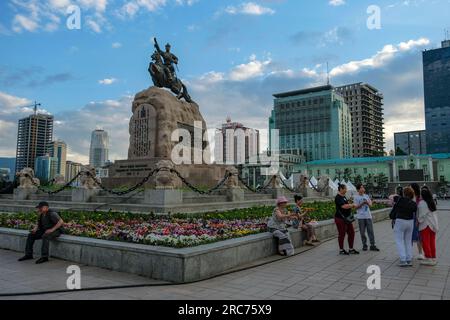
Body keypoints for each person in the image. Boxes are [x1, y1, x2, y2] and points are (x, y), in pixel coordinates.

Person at [391, 187, 417, 267]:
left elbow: (392, 198)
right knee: (408, 241)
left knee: (399, 240)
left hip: (400, 221)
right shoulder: (413, 203)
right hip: (410, 222)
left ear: (404, 193)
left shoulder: (399, 200)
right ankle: (409, 259)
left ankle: (403, 259)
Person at [354, 184, 380, 252]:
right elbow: (355, 207)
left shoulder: (366, 196)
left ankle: (372, 245)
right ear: (358, 190)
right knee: (362, 232)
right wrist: (362, 203)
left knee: (370, 231)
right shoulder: (356, 197)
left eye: (363, 187)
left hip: (368, 216)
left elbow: (371, 205)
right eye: (361, 187)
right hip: (361, 217)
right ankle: (364, 245)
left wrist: (367, 203)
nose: (363, 188)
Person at [335, 184, 359, 255]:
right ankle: (341, 250)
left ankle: (351, 249)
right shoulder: (338, 197)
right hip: (340, 219)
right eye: (345, 188)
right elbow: (343, 206)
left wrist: (350, 205)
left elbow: (346, 204)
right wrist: (352, 205)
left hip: (347, 219)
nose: (346, 190)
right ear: (341, 189)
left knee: (351, 232)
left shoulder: (343, 196)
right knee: (342, 234)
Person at [418, 188, 439, 266]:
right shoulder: (432, 202)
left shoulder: (422, 203)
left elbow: (421, 216)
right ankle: (433, 257)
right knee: (432, 242)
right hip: (433, 224)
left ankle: (429, 258)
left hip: (425, 225)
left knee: (425, 242)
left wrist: (418, 220)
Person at [410, 183, 425, 260]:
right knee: (409, 236)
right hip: (410, 218)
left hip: (418, 218)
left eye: (411, 188)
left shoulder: (420, 198)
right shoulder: (409, 197)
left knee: (419, 236)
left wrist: (419, 219)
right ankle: (409, 253)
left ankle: (420, 253)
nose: (410, 189)